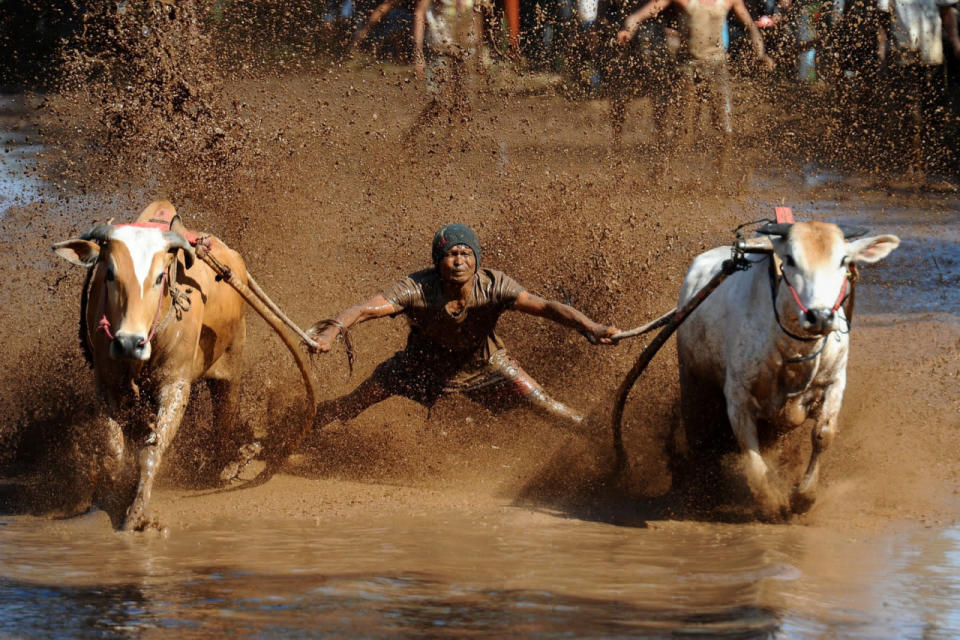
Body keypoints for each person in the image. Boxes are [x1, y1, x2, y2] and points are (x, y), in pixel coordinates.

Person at [306, 224, 621, 433]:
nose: (458, 262)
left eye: (465, 254)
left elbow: (548, 307)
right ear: (437, 262)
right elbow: (363, 310)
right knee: (354, 402)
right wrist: (331, 332)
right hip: (418, 367)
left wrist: (591, 327)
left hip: (486, 366)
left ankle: (605, 438)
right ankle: (300, 428)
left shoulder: (495, 285)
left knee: (547, 405)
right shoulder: (417, 288)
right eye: (450, 255)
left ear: (476, 261)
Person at [616, 0, 775, 165]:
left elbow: (751, 27)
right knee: (681, 129)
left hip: (716, 65)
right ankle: (664, 173)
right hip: (687, 67)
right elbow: (637, 17)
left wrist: (761, 54)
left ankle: (721, 175)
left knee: (725, 128)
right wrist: (627, 30)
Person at [876, 0, 960, 175]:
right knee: (908, 112)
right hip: (903, 55)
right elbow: (882, 21)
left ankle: (931, 159)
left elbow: (947, 14)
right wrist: (882, 54)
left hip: (932, 54)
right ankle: (910, 161)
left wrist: (955, 41)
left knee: (934, 110)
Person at [407, 0, 489, 139]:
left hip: (467, 50)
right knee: (438, 103)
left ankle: (454, 142)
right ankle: (413, 136)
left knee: (465, 103)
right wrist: (418, 56)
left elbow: (477, 17)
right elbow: (419, 13)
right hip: (440, 49)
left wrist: (480, 54)